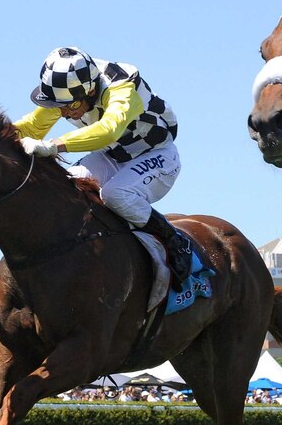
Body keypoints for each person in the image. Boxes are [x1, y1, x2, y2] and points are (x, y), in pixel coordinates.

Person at [14, 47, 192, 289]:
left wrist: (55, 145)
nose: (63, 112)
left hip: (157, 156)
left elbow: (109, 130)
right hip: (111, 156)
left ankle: (174, 242)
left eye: (69, 106)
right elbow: (32, 127)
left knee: (115, 194)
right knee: (64, 186)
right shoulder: (69, 90)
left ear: (89, 90)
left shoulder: (122, 86)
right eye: (59, 106)